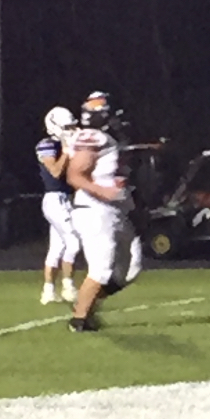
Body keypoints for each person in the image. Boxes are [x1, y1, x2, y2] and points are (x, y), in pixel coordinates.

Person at [65, 92, 140, 332]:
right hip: (96, 210)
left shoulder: (108, 138)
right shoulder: (93, 137)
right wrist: (102, 191)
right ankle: (79, 320)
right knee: (101, 269)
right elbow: (75, 174)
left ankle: (86, 305)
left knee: (131, 267)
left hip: (115, 211)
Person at [36, 106, 82, 304]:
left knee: (57, 247)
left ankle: (48, 291)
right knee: (74, 242)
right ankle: (68, 287)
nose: (72, 130)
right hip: (55, 199)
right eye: (68, 127)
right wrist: (66, 151)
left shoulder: (68, 145)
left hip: (67, 198)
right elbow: (55, 172)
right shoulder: (46, 145)